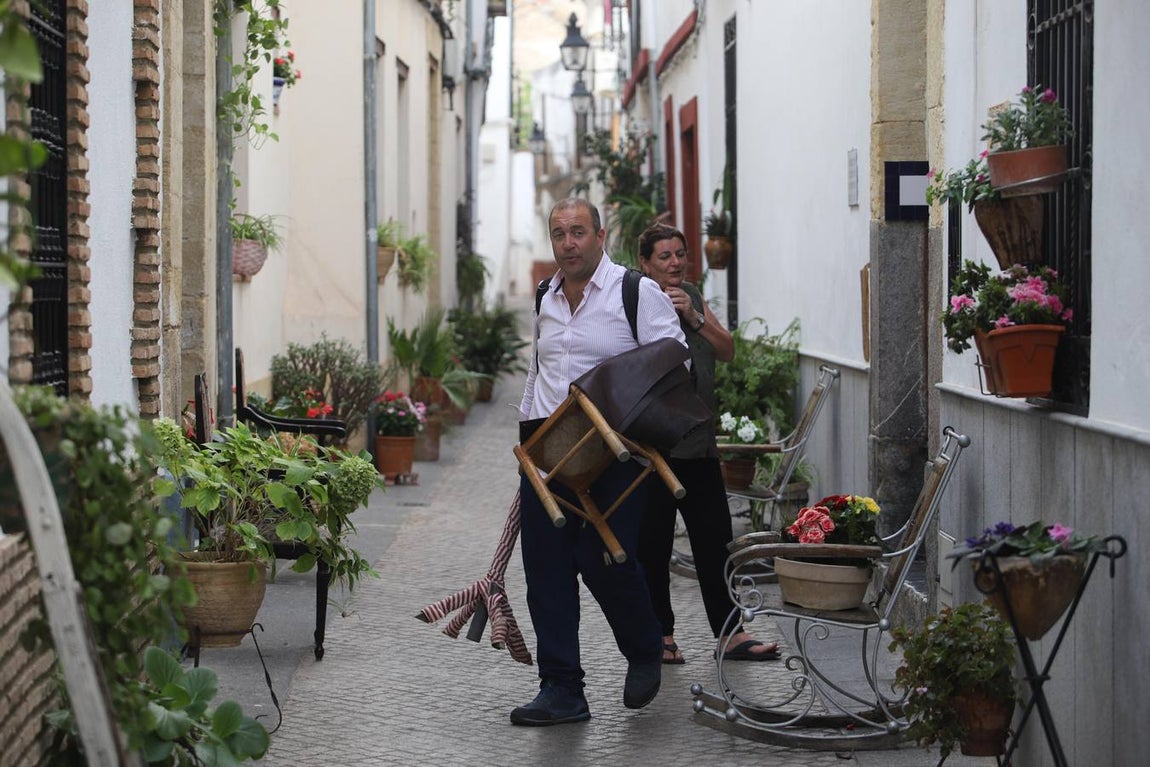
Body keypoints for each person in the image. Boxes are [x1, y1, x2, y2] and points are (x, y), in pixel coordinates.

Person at [511, 198, 688, 726]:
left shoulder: (636, 292)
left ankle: (643, 646)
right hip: (547, 458)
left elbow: (672, 357)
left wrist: (611, 392)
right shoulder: (545, 294)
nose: (568, 243)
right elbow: (538, 368)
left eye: (578, 232)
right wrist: (526, 437)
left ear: (601, 235)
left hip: (615, 454)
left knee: (602, 558)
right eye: (559, 234)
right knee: (545, 572)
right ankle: (562, 688)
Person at [634, 223, 780, 665]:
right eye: (665, 256)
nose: (676, 262)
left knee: (715, 543)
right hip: (653, 451)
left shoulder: (692, 297)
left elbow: (727, 349)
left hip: (698, 446)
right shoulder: (633, 299)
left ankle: (730, 634)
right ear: (645, 263)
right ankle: (660, 635)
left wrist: (693, 319)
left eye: (680, 253)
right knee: (653, 548)